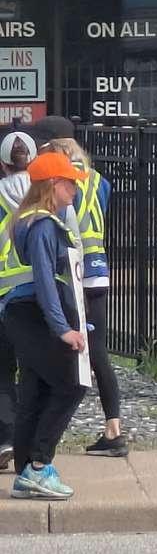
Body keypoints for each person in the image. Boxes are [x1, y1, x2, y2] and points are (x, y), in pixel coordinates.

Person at [3, 152, 88, 499]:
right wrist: (62, 328)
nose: (75, 190)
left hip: (21, 314)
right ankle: (39, 467)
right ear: (53, 184)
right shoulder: (42, 225)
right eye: (70, 183)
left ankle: (27, 471)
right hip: (33, 315)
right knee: (72, 384)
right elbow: (44, 281)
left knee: (35, 391)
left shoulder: (28, 220)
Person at [45, 138, 126, 458]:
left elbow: (64, 223)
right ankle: (113, 427)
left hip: (74, 271)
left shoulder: (66, 181)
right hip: (99, 269)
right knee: (97, 351)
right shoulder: (99, 181)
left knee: (66, 347)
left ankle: (45, 428)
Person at [0, 129, 38, 472]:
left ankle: (6, 438)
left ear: (2, 164)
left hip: (2, 294)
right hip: (38, 295)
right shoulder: (42, 197)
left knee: (2, 371)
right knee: (33, 371)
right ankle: (31, 443)